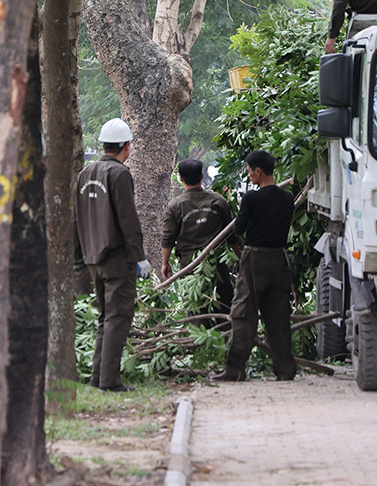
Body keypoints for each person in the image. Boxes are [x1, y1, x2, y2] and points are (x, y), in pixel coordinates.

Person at [73, 117, 151, 392]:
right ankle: (109, 381)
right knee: (118, 318)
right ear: (126, 146)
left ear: (105, 145)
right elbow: (128, 220)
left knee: (105, 317)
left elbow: (76, 219)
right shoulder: (119, 175)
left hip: (93, 258)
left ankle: (97, 377)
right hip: (117, 259)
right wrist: (139, 256)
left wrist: (78, 257)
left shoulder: (85, 173)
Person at [213, 150, 297, 382]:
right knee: (279, 315)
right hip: (279, 260)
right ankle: (285, 370)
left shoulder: (251, 199)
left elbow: (239, 229)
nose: (249, 176)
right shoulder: (287, 197)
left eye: (250, 171)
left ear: (258, 171)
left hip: (254, 260)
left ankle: (235, 369)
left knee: (243, 313)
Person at [161, 159, 237, 315]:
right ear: (202, 176)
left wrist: (165, 263)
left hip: (190, 266)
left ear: (181, 179)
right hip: (218, 264)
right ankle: (227, 337)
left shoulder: (176, 205)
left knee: (196, 312)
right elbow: (231, 234)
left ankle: (199, 338)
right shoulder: (218, 201)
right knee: (224, 309)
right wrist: (239, 256)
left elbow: (168, 238)